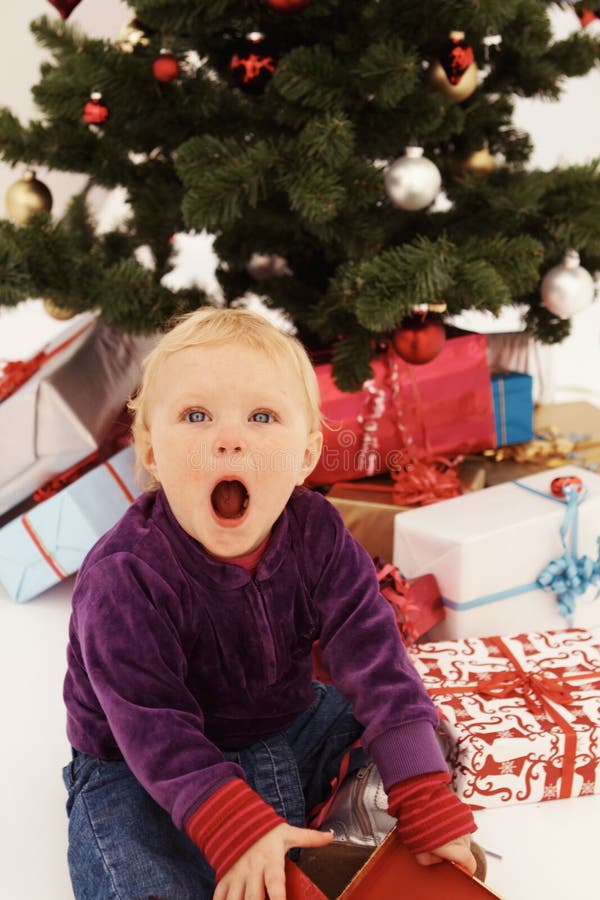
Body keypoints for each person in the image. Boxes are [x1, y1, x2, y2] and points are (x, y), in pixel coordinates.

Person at [62, 307, 477, 900]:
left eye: (261, 416)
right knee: (131, 848)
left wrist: (420, 789)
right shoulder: (122, 578)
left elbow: (376, 663)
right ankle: (239, 844)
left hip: (287, 721)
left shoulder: (320, 533)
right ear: (151, 450)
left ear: (305, 456)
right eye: (196, 415)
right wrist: (228, 822)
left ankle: (360, 827)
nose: (229, 438)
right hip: (142, 759)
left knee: (415, 726)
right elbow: (153, 724)